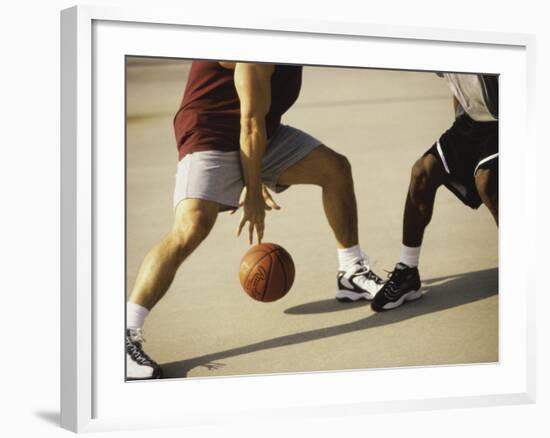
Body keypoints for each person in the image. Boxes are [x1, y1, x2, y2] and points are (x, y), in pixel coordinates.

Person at [125, 61, 384, 380]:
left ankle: (351, 272)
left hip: (263, 135)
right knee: (189, 228)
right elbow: (249, 123)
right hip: (211, 134)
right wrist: (251, 191)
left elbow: (257, 123)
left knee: (335, 169)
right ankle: (123, 333)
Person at [371, 73, 498, 312]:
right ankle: (407, 272)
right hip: (472, 123)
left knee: (487, 183)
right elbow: (458, 87)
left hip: (510, 121)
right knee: (422, 173)